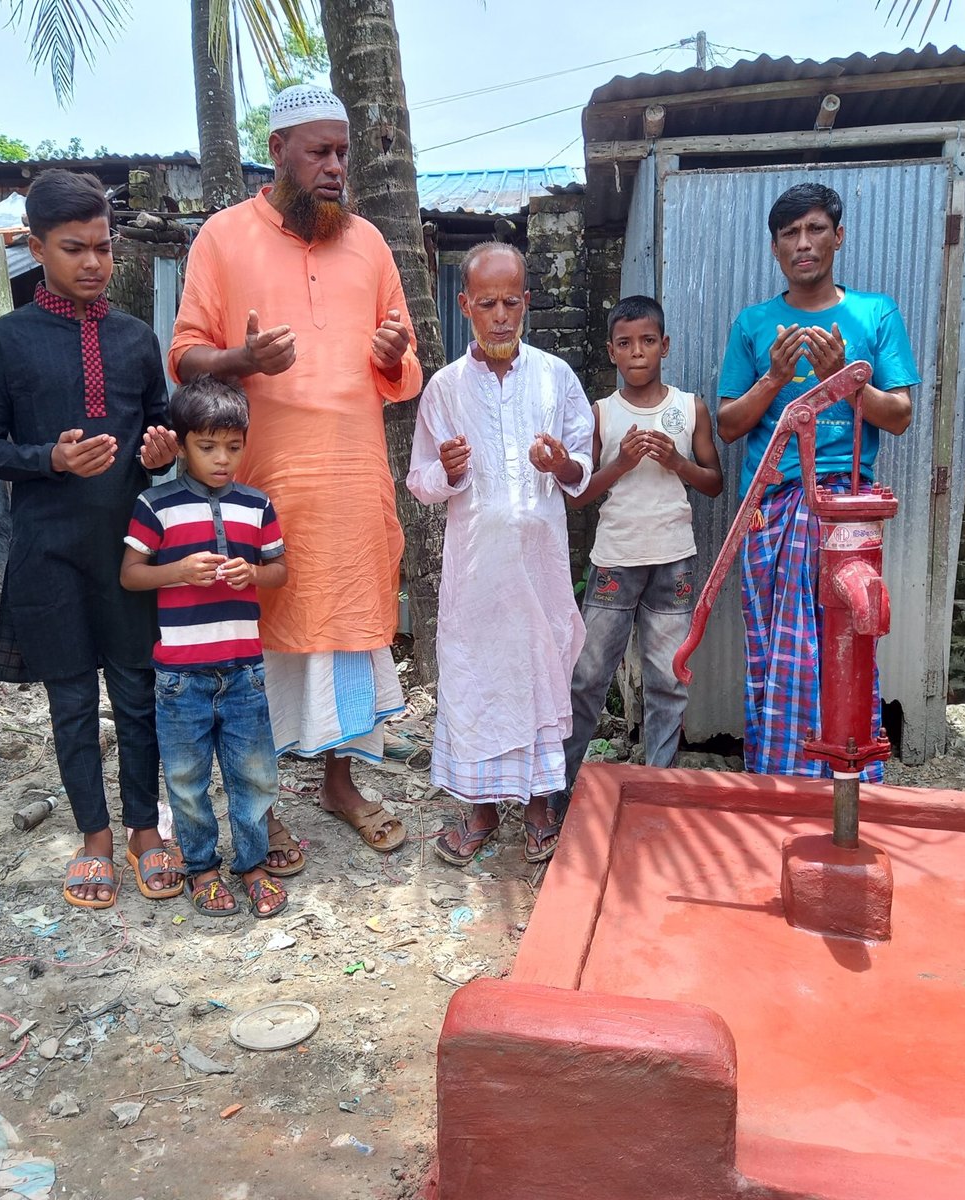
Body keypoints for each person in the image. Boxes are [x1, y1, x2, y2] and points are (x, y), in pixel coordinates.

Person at [169, 84, 422, 870]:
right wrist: (241, 360)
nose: (335, 167)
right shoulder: (222, 238)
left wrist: (389, 356)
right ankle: (260, 801)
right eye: (319, 151)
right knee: (260, 646)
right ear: (277, 151)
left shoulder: (371, 244)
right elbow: (184, 356)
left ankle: (341, 785)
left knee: (349, 634)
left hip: (350, 486)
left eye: (342, 152)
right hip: (258, 489)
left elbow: (406, 365)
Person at [0, 169, 182, 909]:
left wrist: (160, 452)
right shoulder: (6, 341)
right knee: (69, 700)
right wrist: (48, 459)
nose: (93, 263)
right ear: (36, 248)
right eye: (73, 248)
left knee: (136, 690)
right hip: (46, 549)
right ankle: (94, 836)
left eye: (102, 248)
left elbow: (162, 429)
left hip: (127, 550)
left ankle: (144, 829)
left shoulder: (133, 340)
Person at [716, 183, 918, 780]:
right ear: (776, 248)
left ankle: (846, 775)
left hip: (844, 512)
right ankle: (780, 774)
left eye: (815, 230)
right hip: (772, 505)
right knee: (775, 652)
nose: (803, 244)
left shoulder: (874, 313)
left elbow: (901, 416)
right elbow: (729, 425)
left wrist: (846, 382)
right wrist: (776, 379)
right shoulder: (754, 324)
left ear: (839, 235)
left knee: (844, 638)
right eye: (789, 234)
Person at [407, 242, 593, 867]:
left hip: (538, 572)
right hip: (477, 574)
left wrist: (559, 462)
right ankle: (482, 808)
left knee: (540, 676)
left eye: (511, 302)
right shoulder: (445, 388)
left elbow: (582, 467)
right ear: (465, 306)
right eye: (486, 303)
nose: (500, 316)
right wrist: (450, 471)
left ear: (527, 303)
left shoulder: (555, 376)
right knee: (479, 680)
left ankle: (539, 808)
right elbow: (420, 482)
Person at [121, 375, 289, 918]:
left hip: (244, 671)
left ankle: (253, 863)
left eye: (234, 448)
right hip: (180, 678)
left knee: (255, 774)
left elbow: (280, 571)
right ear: (182, 443)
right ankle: (202, 868)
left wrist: (254, 575)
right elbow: (130, 575)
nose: (222, 459)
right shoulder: (156, 505)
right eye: (207, 446)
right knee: (187, 782)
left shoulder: (256, 505)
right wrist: (178, 571)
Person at [562, 295, 722, 792]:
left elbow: (714, 483)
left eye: (648, 342)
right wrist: (622, 464)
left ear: (665, 346)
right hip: (615, 558)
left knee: (668, 680)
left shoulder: (688, 407)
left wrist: (676, 463)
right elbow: (579, 495)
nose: (637, 353)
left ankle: (658, 789)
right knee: (588, 677)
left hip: (674, 560)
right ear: (611, 350)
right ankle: (559, 789)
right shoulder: (600, 414)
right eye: (626, 343)